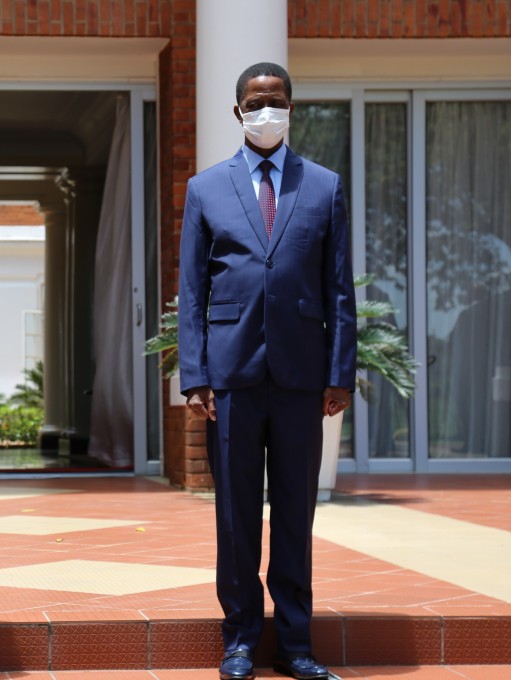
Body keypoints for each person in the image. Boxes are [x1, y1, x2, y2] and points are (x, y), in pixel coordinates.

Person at [177, 63, 357, 680]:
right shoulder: (206, 188)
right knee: (235, 515)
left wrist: (341, 372)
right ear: (237, 112)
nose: (266, 111)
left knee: (295, 512)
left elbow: (338, 290)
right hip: (230, 378)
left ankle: (297, 643)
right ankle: (240, 640)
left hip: (303, 375)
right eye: (255, 103)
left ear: (291, 108)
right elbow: (193, 289)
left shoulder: (325, 186)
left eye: (276, 102)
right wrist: (194, 374)